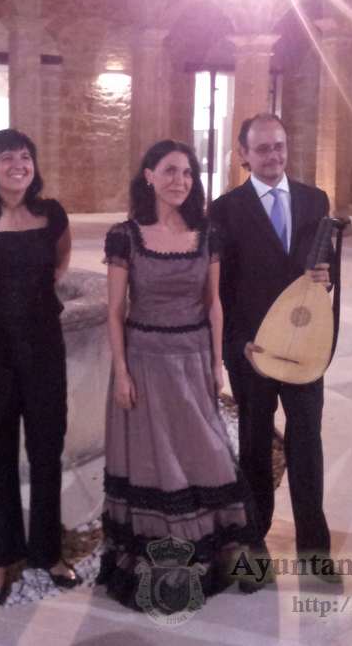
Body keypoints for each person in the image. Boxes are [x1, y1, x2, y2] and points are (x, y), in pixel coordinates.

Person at [98, 139, 257, 611]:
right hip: (144, 363)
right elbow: (114, 310)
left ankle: (225, 561)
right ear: (148, 176)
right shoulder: (125, 236)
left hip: (192, 360)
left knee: (210, 456)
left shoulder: (207, 234)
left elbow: (214, 304)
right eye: (169, 171)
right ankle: (166, 575)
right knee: (156, 467)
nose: (179, 181)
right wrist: (121, 371)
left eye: (187, 173)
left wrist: (215, 363)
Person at [209, 113, 340, 585]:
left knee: (307, 448)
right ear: (244, 154)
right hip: (254, 352)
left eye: (279, 146)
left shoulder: (314, 200)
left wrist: (326, 280)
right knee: (254, 450)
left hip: (305, 348)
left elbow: (326, 272)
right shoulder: (224, 210)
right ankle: (253, 550)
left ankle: (315, 553)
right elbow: (219, 289)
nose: (273, 155)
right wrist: (235, 345)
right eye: (262, 148)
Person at [0, 128, 78, 607]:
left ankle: (48, 552)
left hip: (44, 345)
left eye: (25, 156)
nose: (18, 165)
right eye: (7, 157)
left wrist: (43, 289)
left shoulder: (51, 213)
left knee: (47, 449)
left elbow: (61, 258)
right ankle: (0, 557)